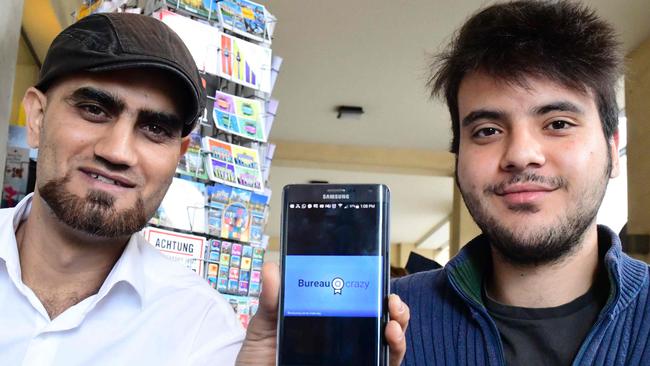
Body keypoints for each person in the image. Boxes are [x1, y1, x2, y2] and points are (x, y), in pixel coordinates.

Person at [2, 12, 409, 365]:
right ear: (36, 117)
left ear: (179, 154)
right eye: (94, 109)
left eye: (155, 128)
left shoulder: (206, 331)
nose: (118, 151)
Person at [392, 1, 650, 365]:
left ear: (612, 148)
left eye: (558, 123)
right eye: (488, 131)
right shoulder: (386, 322)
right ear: (458, 158)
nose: (520, 154)